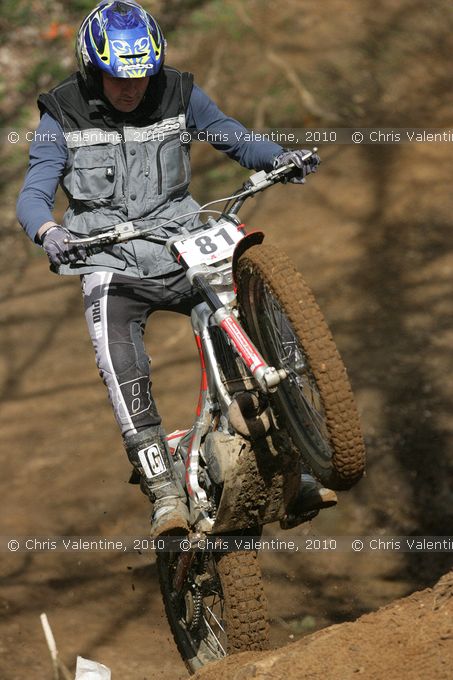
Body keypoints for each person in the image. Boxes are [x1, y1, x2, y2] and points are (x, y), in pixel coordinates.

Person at [17, 0, 335, 536]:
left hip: (183, 240)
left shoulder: (178, 92)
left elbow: (232, 135)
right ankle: (163, 490)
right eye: (118, 77)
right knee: (124, 369)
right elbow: (33, 193)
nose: (132, 88)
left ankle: (290, 465)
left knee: (244, 334)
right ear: (93, 70)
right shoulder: (61, 114)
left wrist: (276, 155)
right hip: (107, 255)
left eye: (142, 75)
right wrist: (51, 233)